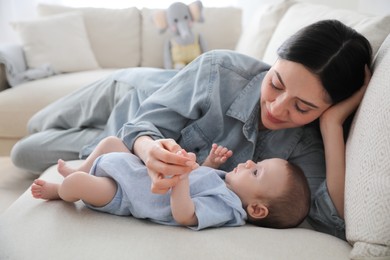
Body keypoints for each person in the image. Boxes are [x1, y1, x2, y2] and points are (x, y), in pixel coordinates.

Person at [12, 20, 372, 239]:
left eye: (304, 106)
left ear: (326, 107)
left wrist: (331, 127)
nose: (277, 108)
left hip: (115, 146)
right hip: (133, 93)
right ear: (273, 62)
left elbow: (333, 220)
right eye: (276, 83)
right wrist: (147, 149)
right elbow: (142, 125)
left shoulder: (305, 147)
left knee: (24, 152)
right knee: (34, 125)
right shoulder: (221, 70)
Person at [31, 136, 311, 230]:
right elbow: (202, 176)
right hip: (137, 171)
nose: (249, 163)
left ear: (258, 209)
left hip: (125, 195)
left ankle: (61, 190)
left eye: (256, 172)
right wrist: (209, 163)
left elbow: (185, 214)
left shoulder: (228, 208)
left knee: (80, 185)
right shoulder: (226, 182)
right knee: (111, 142)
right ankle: (80, 168)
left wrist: (182, 179)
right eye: (257, 163)